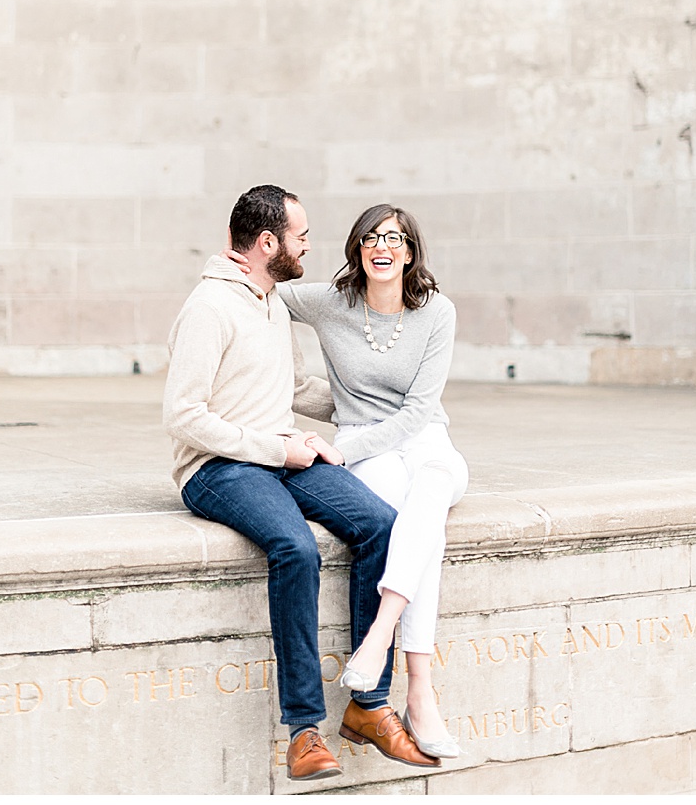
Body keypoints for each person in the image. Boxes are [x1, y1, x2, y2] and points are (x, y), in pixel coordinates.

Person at [165, 184, 439, 782]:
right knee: (295, 547)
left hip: (280, 453)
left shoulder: (270, 301)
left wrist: (382, 409)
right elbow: (183, 415)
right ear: (269, 243)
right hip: (218, 468)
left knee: (381, 525)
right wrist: (277, 448)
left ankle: (369, 706)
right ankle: (305, 730)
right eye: (301, 236)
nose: (309, 246)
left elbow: (293, 390)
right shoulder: (209, 308)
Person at [260, 205, 469, 760]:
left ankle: (383, 644)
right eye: (372, 237)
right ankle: (420, 694)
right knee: (408, 528)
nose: (383, 247)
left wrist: (339, 449)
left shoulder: (437, 312)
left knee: (431, 489)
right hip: (360, 441)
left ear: (410, 250)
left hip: (425, 437)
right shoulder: (329, 303)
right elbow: (259, 290)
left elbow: (417, 414)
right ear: (356, 248)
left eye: (395, 239)